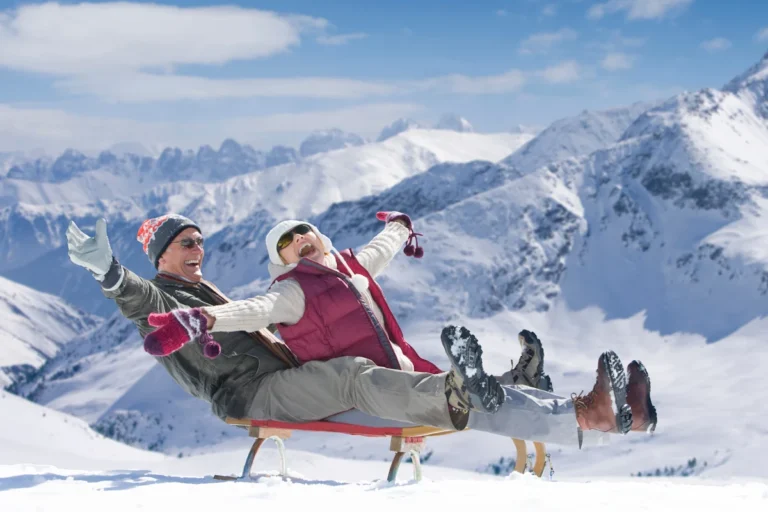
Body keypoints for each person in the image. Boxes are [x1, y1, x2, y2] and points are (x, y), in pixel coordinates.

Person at [66, 213, 656, 451]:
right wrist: (109, 273)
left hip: (287, 379)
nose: (199, 247)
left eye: (199, 239)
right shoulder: (168, 297)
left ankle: (596, 409)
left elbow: (375, 252)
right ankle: (576, 410)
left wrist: (400, 227)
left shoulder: (203, 289)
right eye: (186, 242)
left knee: (435, 383)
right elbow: (143, 303)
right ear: (164, 255)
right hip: (251, 395)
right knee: (358, 378)